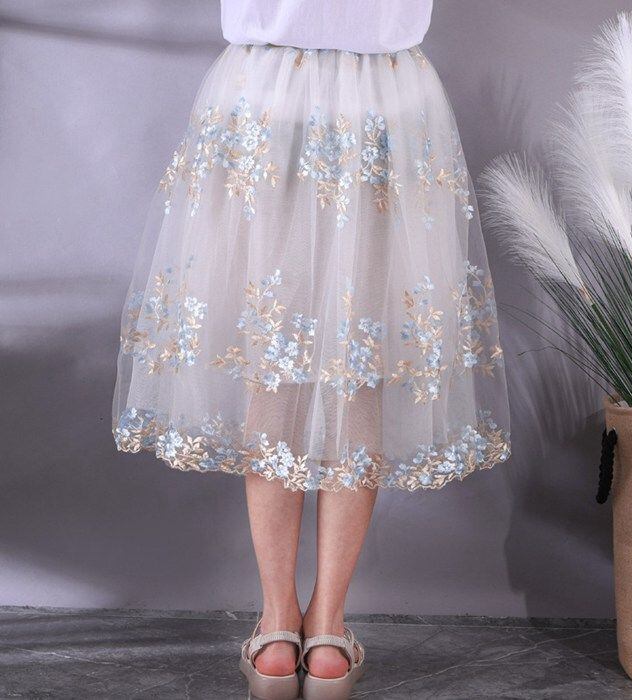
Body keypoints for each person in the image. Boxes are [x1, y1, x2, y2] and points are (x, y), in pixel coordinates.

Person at [113, 1, 510, 697]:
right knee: (356, 361)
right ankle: (326, 634)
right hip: (385, 93)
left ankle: (276, 631)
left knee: (276, 360)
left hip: (266, 89)